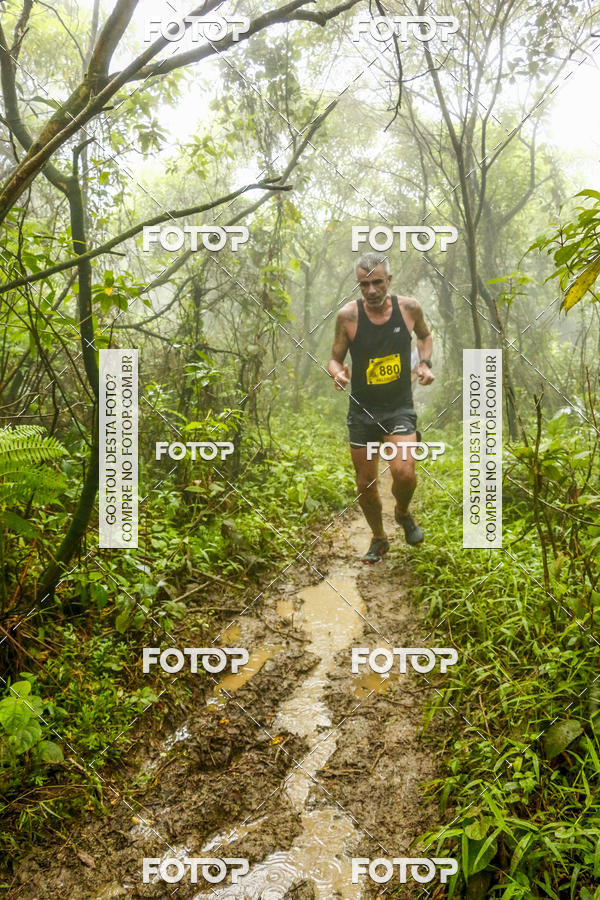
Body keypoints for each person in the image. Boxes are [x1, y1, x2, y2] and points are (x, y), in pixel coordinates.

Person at [327, 252, 435, 563]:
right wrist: (338, 372)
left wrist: (425, 364)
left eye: (377, 282)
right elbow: (334, 358)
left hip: (399, 407)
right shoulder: (348, 317)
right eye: (364, 285)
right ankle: (378, 537)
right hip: (362, 411)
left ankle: (402, 513)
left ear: (389, 280)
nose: (371, 291)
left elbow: (425, 337)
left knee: (404, 473)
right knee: (366, 484)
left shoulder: (409, 308)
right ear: (358, 285)